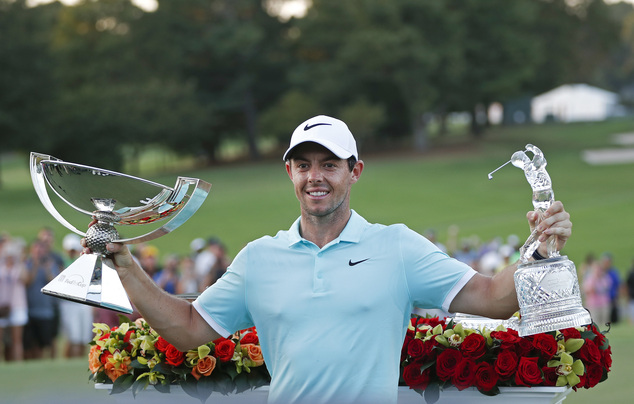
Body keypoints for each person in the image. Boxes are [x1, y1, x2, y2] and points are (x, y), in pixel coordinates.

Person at [84, 115, 573, 404]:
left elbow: (490, 298)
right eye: (303, 165)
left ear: (354, 171)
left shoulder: (397, 247)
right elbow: (189, 328)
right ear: (290, 173)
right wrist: (126, 265)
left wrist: (536, 247)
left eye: (329, 165)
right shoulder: (259, 258)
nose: (315, 177)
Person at [59, 233, 93, 358]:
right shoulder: (63, 262)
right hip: (69, 304)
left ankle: (78, 361)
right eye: (70, 250)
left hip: (84, 303)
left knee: (84, 338)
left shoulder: (85, 262)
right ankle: (68, 362)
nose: (72, 253)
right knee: (73, 338)